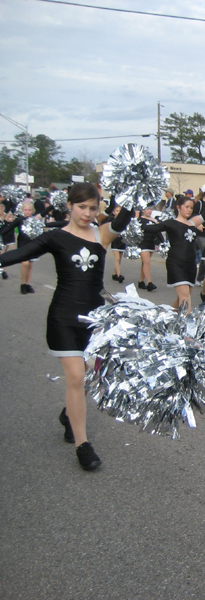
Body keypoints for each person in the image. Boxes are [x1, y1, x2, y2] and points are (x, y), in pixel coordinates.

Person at [0, 183, 133, 470]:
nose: (87, 213)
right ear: (69, 206)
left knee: (87, 374)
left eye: (93, 208)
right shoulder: (55, 237)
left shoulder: (102, 234)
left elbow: (123, 220)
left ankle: (68, 414)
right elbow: (19, 254)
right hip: (63, 317)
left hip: (95, 320)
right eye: (81, 207)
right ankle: (82, 445)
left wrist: (133, 190)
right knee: (77, 377)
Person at [141, 194, 205, 310]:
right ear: (178, 207)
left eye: (191, 208)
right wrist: (133, 225)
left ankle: (170, 317)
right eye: (186, 207)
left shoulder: (193, 222)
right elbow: (152, 229)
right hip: (176, 263)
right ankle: (188, 326)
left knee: (183, 297)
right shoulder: (171, 223)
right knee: (185, 297)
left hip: (190, 265)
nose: (189, 210)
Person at [137, 206, 161, 291]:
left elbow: (158, 233)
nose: (149, 211)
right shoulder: (139, 220)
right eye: (148, 209)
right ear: (143, 210)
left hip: (151, 243)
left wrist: (161, 242)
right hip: (142, 244)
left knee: (144, 263)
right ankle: (149, 283)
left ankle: (141, 281)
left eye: (151, 209)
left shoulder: (154, 221)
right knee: (147, 262)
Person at [109, 206, 126, 283]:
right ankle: (119, 275)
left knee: (120, 259)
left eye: (119, 211)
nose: (118, 212)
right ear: (113, 212)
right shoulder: (111, 220)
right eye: (116, 211)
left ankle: (114, 273)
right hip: (115, 241)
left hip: (122, 241)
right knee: (117, 259)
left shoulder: (123, 221)